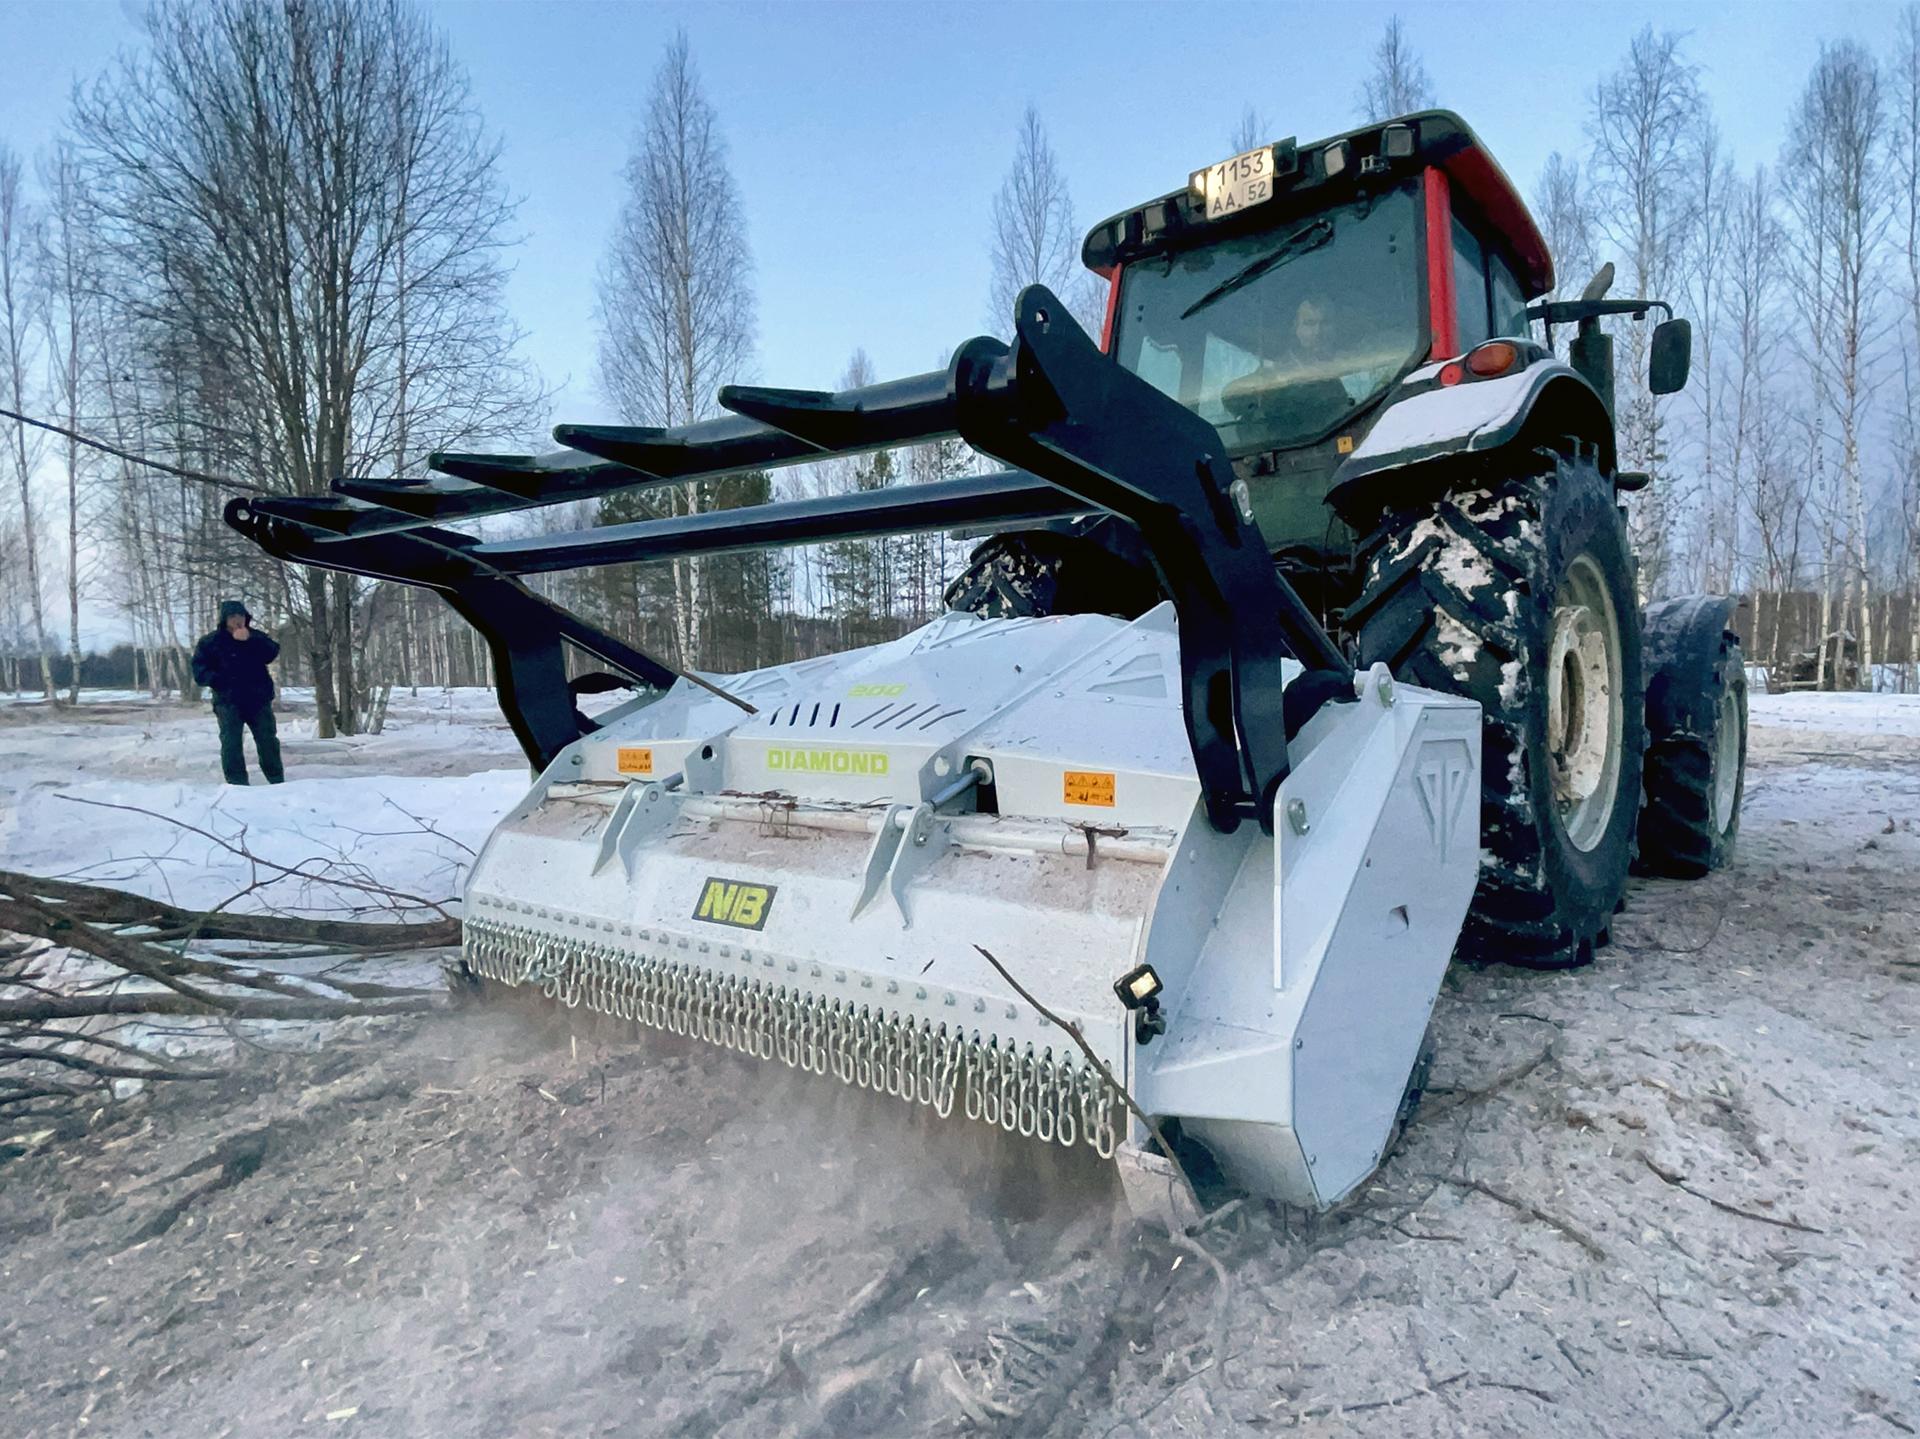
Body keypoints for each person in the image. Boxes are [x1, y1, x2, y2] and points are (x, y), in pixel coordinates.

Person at [191, 599, 285, 785]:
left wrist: (251, 640)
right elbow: (199, 671)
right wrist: (219, 680)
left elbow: (272, 652)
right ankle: (237, 784)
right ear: (225, 619)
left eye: (241, 615)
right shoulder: (211, 642)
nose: (237, 620)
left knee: (267, 741)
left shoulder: (255, 637)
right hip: (228, 701)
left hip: (258, 699)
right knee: (231, 743)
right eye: (233, 616)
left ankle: (276, 780)